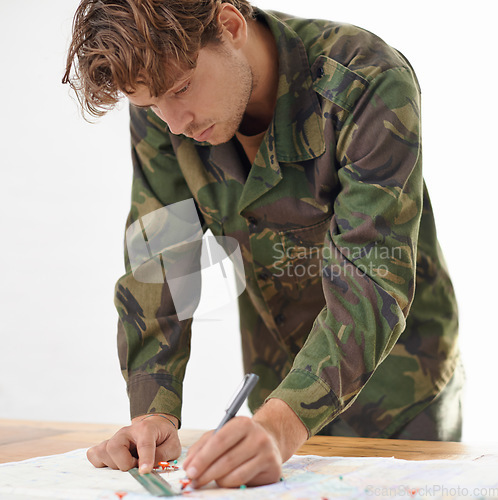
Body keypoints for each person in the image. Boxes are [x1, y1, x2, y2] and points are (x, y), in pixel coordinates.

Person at [63, 0, 463, 489]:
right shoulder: (165, 108)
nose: (173, 124)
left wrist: (279, 427)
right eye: (149, 105)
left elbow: (372, 278)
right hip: (274, 382)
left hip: (401, 393)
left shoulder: (367, 80)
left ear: (229, 26)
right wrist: (154, 414)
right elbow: (161, 259)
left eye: (182, 88)